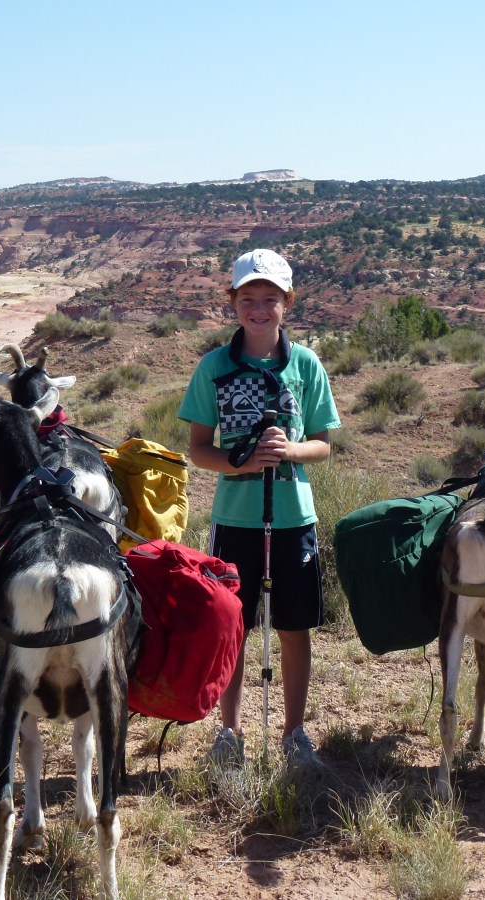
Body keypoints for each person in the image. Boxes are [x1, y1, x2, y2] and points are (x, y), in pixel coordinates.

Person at [178, 248, 341, 767]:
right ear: (233, 303)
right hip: (235, 520)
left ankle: (294, 733)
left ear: (287, 302)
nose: (259, 308)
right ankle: (229, 733)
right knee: (234, 626)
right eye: (248, 298)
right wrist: (244, 462)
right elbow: (199, 449)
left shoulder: (306, 364)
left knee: (294, 627)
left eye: (270, 298)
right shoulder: (214, 367)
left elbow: (323, 444)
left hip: (293, 518)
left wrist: (288, 451)